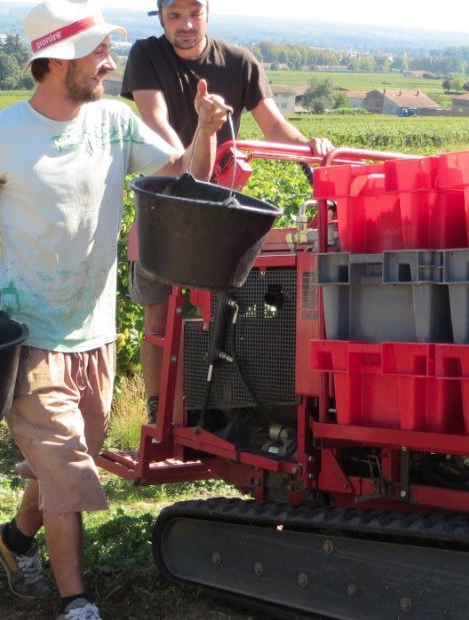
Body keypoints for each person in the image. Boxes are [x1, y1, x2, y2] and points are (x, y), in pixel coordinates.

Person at [0, 1, 230, 618]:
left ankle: (15, 540)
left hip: (94, 331)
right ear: (57, 60)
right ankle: (76, 601)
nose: (109, 62)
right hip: (29, 331)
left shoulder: (115, 123)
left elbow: (184, 175)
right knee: (69, 466)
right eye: (98, 51)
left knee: (66, 461)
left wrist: (204, 131)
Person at [121, 0, 334, 422]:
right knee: (159, 313)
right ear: (160, 17)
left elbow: (275, 128)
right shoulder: (147, 55)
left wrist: (313, 152)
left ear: (208, 13)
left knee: (227, 305)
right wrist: (203, 129)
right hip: (168, 202)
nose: (185, 24)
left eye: (194, 13)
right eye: (174, 16)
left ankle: (217, 404)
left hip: (221, 208)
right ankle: (158, 408)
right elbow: (161, 135)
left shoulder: (240, 62)